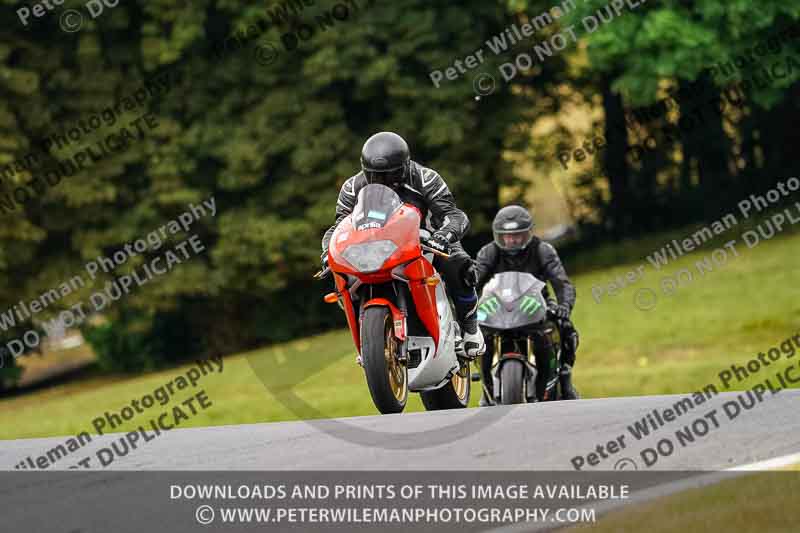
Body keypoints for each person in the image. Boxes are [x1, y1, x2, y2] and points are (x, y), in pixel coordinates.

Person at [321, 131, 485, 359]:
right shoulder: (352, 187)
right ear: (365, 170)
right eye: (376, 176)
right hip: (374, 246)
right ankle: (369, 342)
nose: (383, 181)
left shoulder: (426, 178)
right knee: (341, 279)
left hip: (427, 240)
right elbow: (339, 226)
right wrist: (328, 252)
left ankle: (470, 328)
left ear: (404, 166)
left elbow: (453, 215)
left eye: (390, 175)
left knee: (460, 266)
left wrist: (444, 235)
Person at [474, 205, 580, 402]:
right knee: (475, 335)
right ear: (499, 236)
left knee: (567, 328)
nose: (512, 240)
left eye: (518, 235)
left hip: (538, 305)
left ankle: (565, 378)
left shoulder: (542, 250)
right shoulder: (489, 252)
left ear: (527, 234)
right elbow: (472, 282)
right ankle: (485, 384)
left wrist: (564, 306)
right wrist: (468, 307)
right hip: (497, 306)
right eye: (507, 235)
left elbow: (562, 283)